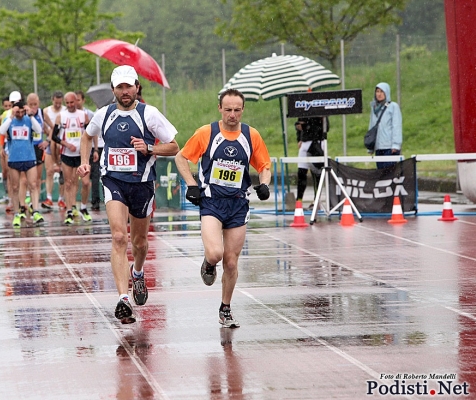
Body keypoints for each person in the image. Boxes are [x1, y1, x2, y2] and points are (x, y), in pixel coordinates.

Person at [77, 65, 179, 324]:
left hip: (142, 184)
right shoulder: (104, 115)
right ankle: (123, 298)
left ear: (137, 87)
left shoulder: (150, 114)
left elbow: (175, 146)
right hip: (114, 182)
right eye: (120, 87)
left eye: (129, 86)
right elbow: (87, 137)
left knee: (140, 243)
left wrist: (149, 147)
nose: (125, 91)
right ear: (113, 90)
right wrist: (85, 161)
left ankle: (138, 272)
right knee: (119, 236)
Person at [174, 88, 272, 328]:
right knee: (216, 254)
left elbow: (264, 166)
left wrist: (264, 184)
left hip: (238, 204)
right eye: (228, 110)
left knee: (230, 262)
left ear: (243, 110)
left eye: (237, 110)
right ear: (220, 108)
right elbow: (181, 157)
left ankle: (225, 308)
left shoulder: (251, 135)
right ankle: (208, 263)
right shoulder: (207, 133)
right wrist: (191, 184)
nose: (232, 115)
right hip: (211, 202)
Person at [0, 100, 45, 227]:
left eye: (21, 112)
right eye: (16, 111)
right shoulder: (10, 120)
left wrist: (30, 115)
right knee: (15, 187)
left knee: (33, 184)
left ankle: (35, 210)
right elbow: (2, 131)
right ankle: (17, 212)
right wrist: (11, 116)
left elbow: (39, 129)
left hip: (29, 157)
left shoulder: (28, 120)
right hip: (14, 158)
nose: (19, 114)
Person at [51, 91, 92, 224]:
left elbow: (90, 134)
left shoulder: (83, 115)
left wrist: (95, 149)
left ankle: (84, 208)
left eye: (72, 102)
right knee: (69, 183)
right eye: (67, 103)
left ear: (77, 101)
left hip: (81, 155)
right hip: (67, 154)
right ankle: (69, 210)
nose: (69, 105)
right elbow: (54, 136)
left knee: (85, 182)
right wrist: (66, 144)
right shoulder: (61, 116)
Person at [295, 116, 328, 207]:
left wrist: (306, 127)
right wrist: (299, 138)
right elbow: (298, 124)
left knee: (316, 173)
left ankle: (316, 200)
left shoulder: (319, 109)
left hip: (316, 143)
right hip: (304, 143)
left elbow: (324, 127)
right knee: (301, 172)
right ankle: (299, 200)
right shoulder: (302, 108)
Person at [368, 82, 402, 169]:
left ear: (386, 93)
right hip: (378, 148)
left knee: (389, 173)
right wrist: (370, 146)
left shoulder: (393, 106)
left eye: (382, 92)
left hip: (390, 148)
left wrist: (396, 145)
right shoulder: (374, 108)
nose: (379, 94)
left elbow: (396, 126)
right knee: (381, 174)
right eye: (377, 91)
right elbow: (372, 126)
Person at [42, 91, 66, 209]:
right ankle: (49, 198)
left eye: (59, 103)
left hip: (61, 145)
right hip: (50, 143)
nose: (57, 105)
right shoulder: (46, 111)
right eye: (56, 103)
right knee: (49, 171)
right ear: (52, 100)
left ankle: (61, 199)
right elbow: (43, 127)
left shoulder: (65, 111)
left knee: (63, 173)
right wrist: (50, 134)